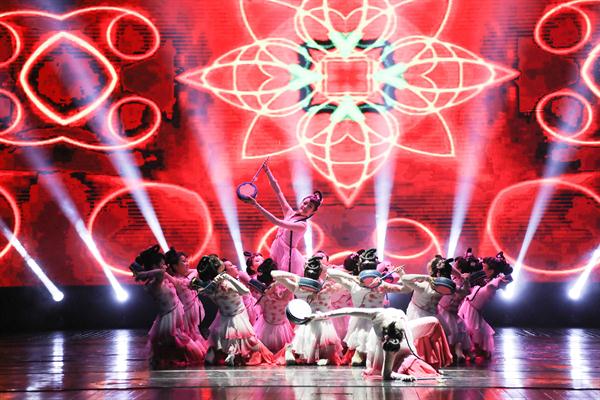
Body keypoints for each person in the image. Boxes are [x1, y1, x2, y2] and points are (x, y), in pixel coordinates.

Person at [326, 248, 410, 366]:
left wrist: (402, 274)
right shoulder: (353, 284)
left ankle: (368, 357)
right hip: (360, 321)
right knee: (359, 350)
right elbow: (329, 272)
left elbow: (406, 290)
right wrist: (352, 277)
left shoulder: (381, 285)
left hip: (377, 320)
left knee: (376, 351)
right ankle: (360, 355)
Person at [310, 307, 440, 381]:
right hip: (386, 334)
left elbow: (410, 348)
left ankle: (436, 360)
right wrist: (321, 316)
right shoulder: (378, 315)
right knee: (389, 365)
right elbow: (348, 310)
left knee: (434, 322)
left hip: (402, 329)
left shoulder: (404, 331)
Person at [130, 245, 205, 368]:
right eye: (162, 264)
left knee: (174, 347)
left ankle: (174, 361)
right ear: (154, 267)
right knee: (179, 345)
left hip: (176, 317)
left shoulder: (164, 279)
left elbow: (168, 274)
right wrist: (143, 273)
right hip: (169, 319)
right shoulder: (154, 283)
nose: (165, 267)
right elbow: (160, 273)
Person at [240, 163, 322, 275]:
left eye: (310, 206)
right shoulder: (290, 213)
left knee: (284, 282)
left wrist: (256, 205)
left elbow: (276, 221)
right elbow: (278, 192)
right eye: (305, 203)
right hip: (277, 249)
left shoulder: (302, 225)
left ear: (313, 212)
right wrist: (267, 171)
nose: (305, 206)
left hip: (288, 257)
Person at [193, 255, 274, 366]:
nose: (234, 266)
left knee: (224, 344)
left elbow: (200, 287)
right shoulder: (226, 283)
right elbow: (245, 291)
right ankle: (234, 354)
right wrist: (228, 277)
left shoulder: (211, 287)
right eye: (230, 265)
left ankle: (229, 353)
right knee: (251, 344)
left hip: (224, 320)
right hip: (237, 318)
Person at [272, 256, 343, 365]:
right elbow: (343, 279)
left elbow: (275, 274)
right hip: (316, 323)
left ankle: (294, 352)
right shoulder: (327, 287)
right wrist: (325, 269)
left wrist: (296, 276)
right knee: (310, 353)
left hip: (317, 324)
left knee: (321, 352)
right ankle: (291, 351)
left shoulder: (303, 287)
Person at [458, 252, 513, 359]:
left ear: (491, 271)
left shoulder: (493, 283)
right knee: (465, 329)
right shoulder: (485, 280)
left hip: (473, 311)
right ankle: (469, 350)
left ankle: (472, 351)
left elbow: (507, 279)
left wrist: (500, 277)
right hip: (468, 306)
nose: (481, 269)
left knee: (471, 331)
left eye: (484, 267)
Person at [164, 247, 208, 352]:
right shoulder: (177, 281)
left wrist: (184, 273)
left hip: (195, 312)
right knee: (189, 336)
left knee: (194, 334)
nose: (187, 263)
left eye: (187, 260)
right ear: (175, 266)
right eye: (183, 262)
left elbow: (195, 271)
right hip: (186, 315)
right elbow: (192, 274)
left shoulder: (186, 277)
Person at [252, 259, 295, 353]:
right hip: (279, 326)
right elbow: (294, 281)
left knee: (264, 351)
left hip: (265, 326)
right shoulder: (286, 290)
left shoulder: (260, 290)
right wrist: (281, 279)